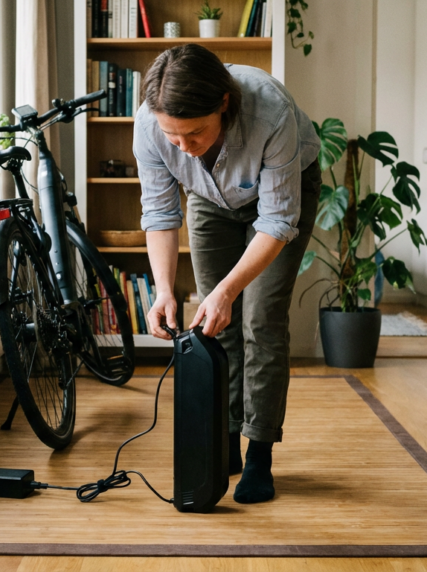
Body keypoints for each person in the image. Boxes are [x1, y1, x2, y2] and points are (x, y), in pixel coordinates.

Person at [134, 44, 321, 504]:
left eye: (194, 134)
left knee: (261, 319)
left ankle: (259, 453)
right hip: (209, 199)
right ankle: (226, 439)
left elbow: (277, 221)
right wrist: (162, 292)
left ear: (223, 104)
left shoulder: (270, 111)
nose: (183, 147)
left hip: (280, 197)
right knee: (217, 326)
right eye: (171, 136)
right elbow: (159, 214)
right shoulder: (149, 124)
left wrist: (227, 289)